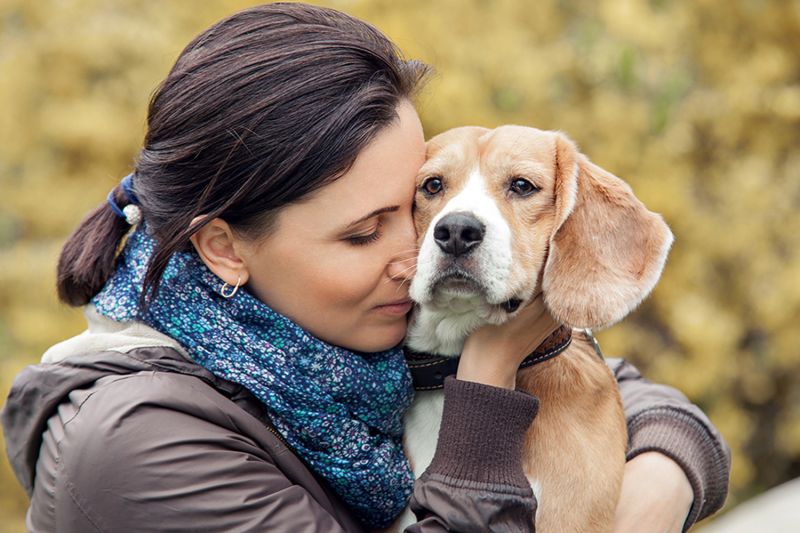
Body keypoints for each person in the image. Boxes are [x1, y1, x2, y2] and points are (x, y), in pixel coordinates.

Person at [1, 3, 730, 532]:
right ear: (224, 248)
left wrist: (658, 484)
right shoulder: (137, 447)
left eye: (408, 207)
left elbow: (628, 389)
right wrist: (485, 385)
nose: (416, 252)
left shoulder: (336, 342)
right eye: (359, 234)